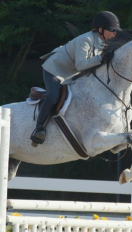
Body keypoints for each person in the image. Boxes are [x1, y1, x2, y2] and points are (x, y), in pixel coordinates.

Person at [30, 11, 121, 145]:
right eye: (112, 30)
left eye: (116, 31)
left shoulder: (103, 44)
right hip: (54, 69)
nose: (115, 34)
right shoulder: (86, 40)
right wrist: (101, 58)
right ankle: (39, 128)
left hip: (70, 74)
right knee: (53, 95)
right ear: (100, 30)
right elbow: (81, 65)